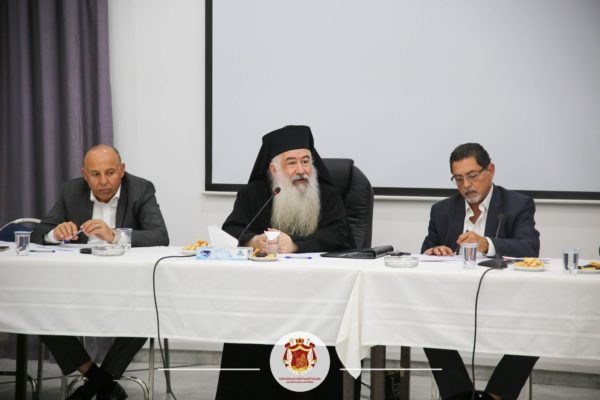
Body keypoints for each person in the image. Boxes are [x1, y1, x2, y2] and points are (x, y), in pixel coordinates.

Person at [216, 125, 356, 399]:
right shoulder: (254, 194)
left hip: (319, 298)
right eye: (291, 163)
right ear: (273, 169)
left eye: (305, 161)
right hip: (263, 299)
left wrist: (296, 246)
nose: (301, 170)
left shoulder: (327, 194)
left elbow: (341, 235)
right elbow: (231, 229)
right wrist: (254, 241)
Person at [31, 144, 169, 400]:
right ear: (85, 175)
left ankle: (96, 384)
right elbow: (39, 233)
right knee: (38, 309)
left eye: (110, 173)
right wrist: (54, 234)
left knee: (151, 309)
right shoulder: (71, 190)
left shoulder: (141, 189)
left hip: (126, 286)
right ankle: (100, 381)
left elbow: (160, 236)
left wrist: (115, 235)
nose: (104, 181)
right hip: (77, 285)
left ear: (122, 170)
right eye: (95, 174)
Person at [421, 143, 540, 400]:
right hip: (452, 300)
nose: (466, 185)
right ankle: (460, 395)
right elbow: (425, 252)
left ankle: (495, 395)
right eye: (458, 179)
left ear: (490, 171)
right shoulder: (441, 210)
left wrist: (487, 243)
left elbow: (530, 248)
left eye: (472, 176)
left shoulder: (518, 204)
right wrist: (435, 251)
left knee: (537, 326)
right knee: (425, 320)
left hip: (505, 300)